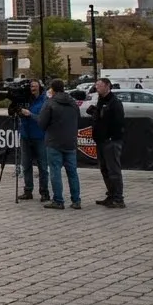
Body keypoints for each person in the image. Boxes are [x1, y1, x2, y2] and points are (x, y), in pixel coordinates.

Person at [36, 79, 81, 209]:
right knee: (72, 172)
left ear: (52, 89)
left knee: (55, 171)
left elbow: (41, 123)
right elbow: (78, 118)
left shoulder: (50, 103)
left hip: (54, 142)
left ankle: (58, 200)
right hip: (70, 141)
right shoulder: (73, 103)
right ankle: (76, 200)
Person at [87, 78, 125, 208]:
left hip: (111, 141)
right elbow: (100, 119)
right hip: (100, 140)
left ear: (107, 86)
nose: (97, 88)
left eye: (100, 85)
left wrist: (111, 136)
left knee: (113, 170)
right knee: (104, 169)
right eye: (96, 85)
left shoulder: (114, 102)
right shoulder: (101, 101)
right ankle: (111, 195)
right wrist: (95, 112)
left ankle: (118, 198)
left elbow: (118, 122)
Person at [16, 80, 50, 201]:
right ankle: (28, 191)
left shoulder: (45, 100)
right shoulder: (25, 99)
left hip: (40, 137)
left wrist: (30, 114)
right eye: (31, 86)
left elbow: (43, 119)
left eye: (35, 86)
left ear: (40, 87)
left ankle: (44, 192)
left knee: (43, 167)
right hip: (25, 136)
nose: (32, 88)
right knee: (26, 165)